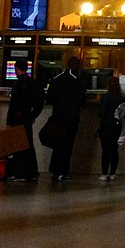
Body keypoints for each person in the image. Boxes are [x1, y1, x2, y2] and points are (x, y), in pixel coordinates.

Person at [44, 55, 87, 183]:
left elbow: (49, 98)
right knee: (67, 146)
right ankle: (63, 171)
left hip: (57, 118)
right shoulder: (78, 82)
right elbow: (81, 100)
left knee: (58, 145)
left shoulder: (57, 79)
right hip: (71, 119)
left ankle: (55, 171)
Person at [4, 57, 44, 182]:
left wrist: (9, 120)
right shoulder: (33, 83)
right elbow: (40, 101)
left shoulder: (18, 84)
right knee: (28, 145)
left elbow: (14, 105)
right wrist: (33, 115)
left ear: (16, 69)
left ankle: (20, 172)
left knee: (18, 147)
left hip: (18, 119)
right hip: (27, 119)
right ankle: (31, 172)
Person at [97, 76, 123, 181]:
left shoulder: (105, 98)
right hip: (117, 126)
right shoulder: (121, 99)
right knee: (114, 150)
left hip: (106, 126)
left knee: (105, 151)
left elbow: (102, 113)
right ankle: (112, 173)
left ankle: (104, 173)